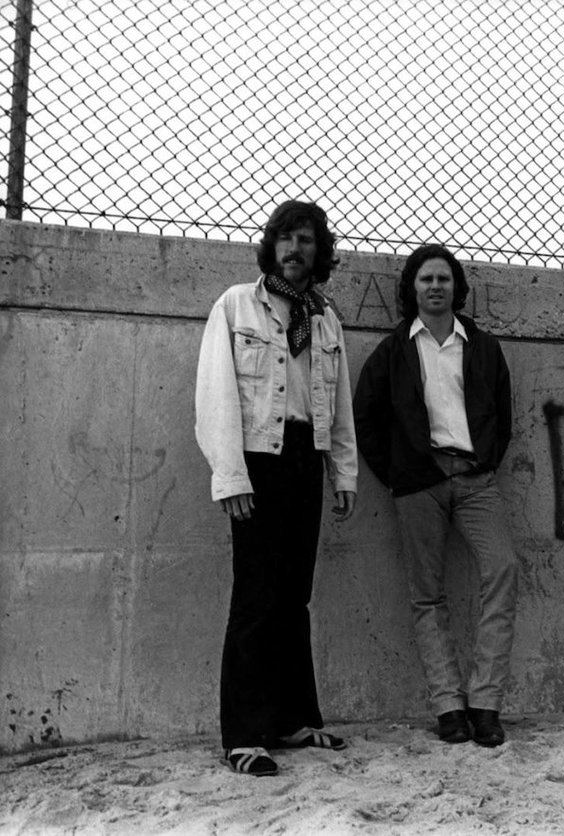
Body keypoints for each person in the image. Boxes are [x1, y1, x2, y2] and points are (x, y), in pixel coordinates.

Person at [195, 200, 358, 776]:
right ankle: (243, 734)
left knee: (295, 596)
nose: (296, 250)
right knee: (256, 598)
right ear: (271, 246)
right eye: (286, 239)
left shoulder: (324, 318)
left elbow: (337, 407)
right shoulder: (238, 305)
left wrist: (343, 472)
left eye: (307, 240)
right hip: (258, 462)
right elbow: (215, 394)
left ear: (320, 251)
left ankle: (290, 719)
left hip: (304, 461)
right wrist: (230, 473)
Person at [353, 244, 518, 747]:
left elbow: (502, 414)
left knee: (503, 568)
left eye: (443, 279)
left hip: (475, 480)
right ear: (412, 288)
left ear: (456, 287)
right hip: (417, 483)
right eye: (425, 279)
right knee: (428, 595)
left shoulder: (483, 346)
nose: (435, 287)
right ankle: (449, 707)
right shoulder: (394, 349)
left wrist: (485, 458)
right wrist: (399, 475)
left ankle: (485, 703)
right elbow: (365, 417)